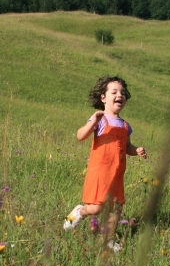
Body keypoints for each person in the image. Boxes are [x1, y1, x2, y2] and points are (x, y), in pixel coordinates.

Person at [63, 76, 147, 250]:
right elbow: (80, 136)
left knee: (116, 208)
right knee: (95, 208)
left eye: (123, 93)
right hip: (100, 172)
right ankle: (79, 212)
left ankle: (108, 240)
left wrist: (136, 150)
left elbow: (127, 146)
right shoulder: (99, 119)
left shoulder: (125, 125)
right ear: (103, 98)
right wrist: (92, 122)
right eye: (114, 92)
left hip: (117, 173)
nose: (120, 95)